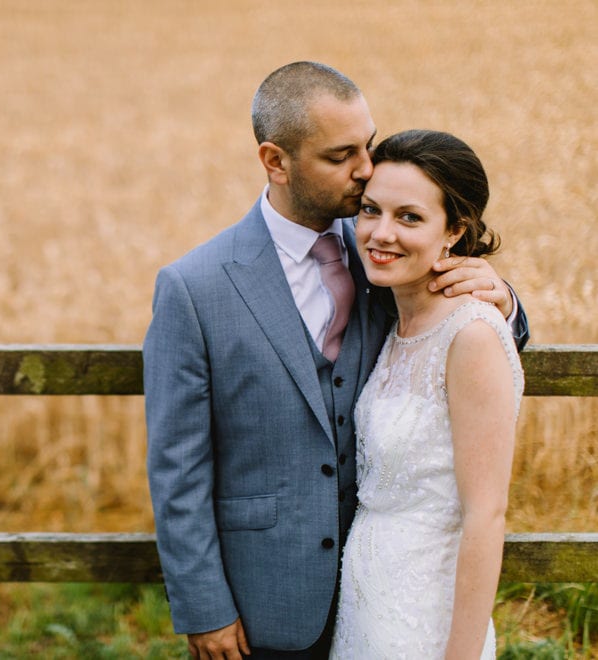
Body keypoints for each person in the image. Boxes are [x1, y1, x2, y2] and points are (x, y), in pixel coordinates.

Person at [143, 61, 529, 658]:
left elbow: (459, 339)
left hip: (387, 591)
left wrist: (505, 303)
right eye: (341, 154)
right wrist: (204, 607)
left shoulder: (383, 251)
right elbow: (177, 466)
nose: (367, 169)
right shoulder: (195, 288)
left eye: (368, 145)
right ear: (276, 161)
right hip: (260, 601)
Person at [329, 129, 524, 659]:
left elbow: (486, 514)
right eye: (370, 210)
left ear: (455, 230)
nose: (380, 233)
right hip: (365, 602)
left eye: (409, 217)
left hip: (425, 618)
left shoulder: (472, 334)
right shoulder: (395, 318)